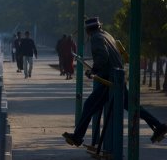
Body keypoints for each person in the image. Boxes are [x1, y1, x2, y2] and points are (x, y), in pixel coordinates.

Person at [63, 17, 167, 146]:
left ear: (88, 31)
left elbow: (102, 57)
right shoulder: (107, 35)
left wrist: (93, 70)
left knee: (89, 106)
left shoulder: (96, 38)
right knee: (132, 106)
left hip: (110, 81)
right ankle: (159, 125)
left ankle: (78, 136)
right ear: (99, 26)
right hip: (118, 77)